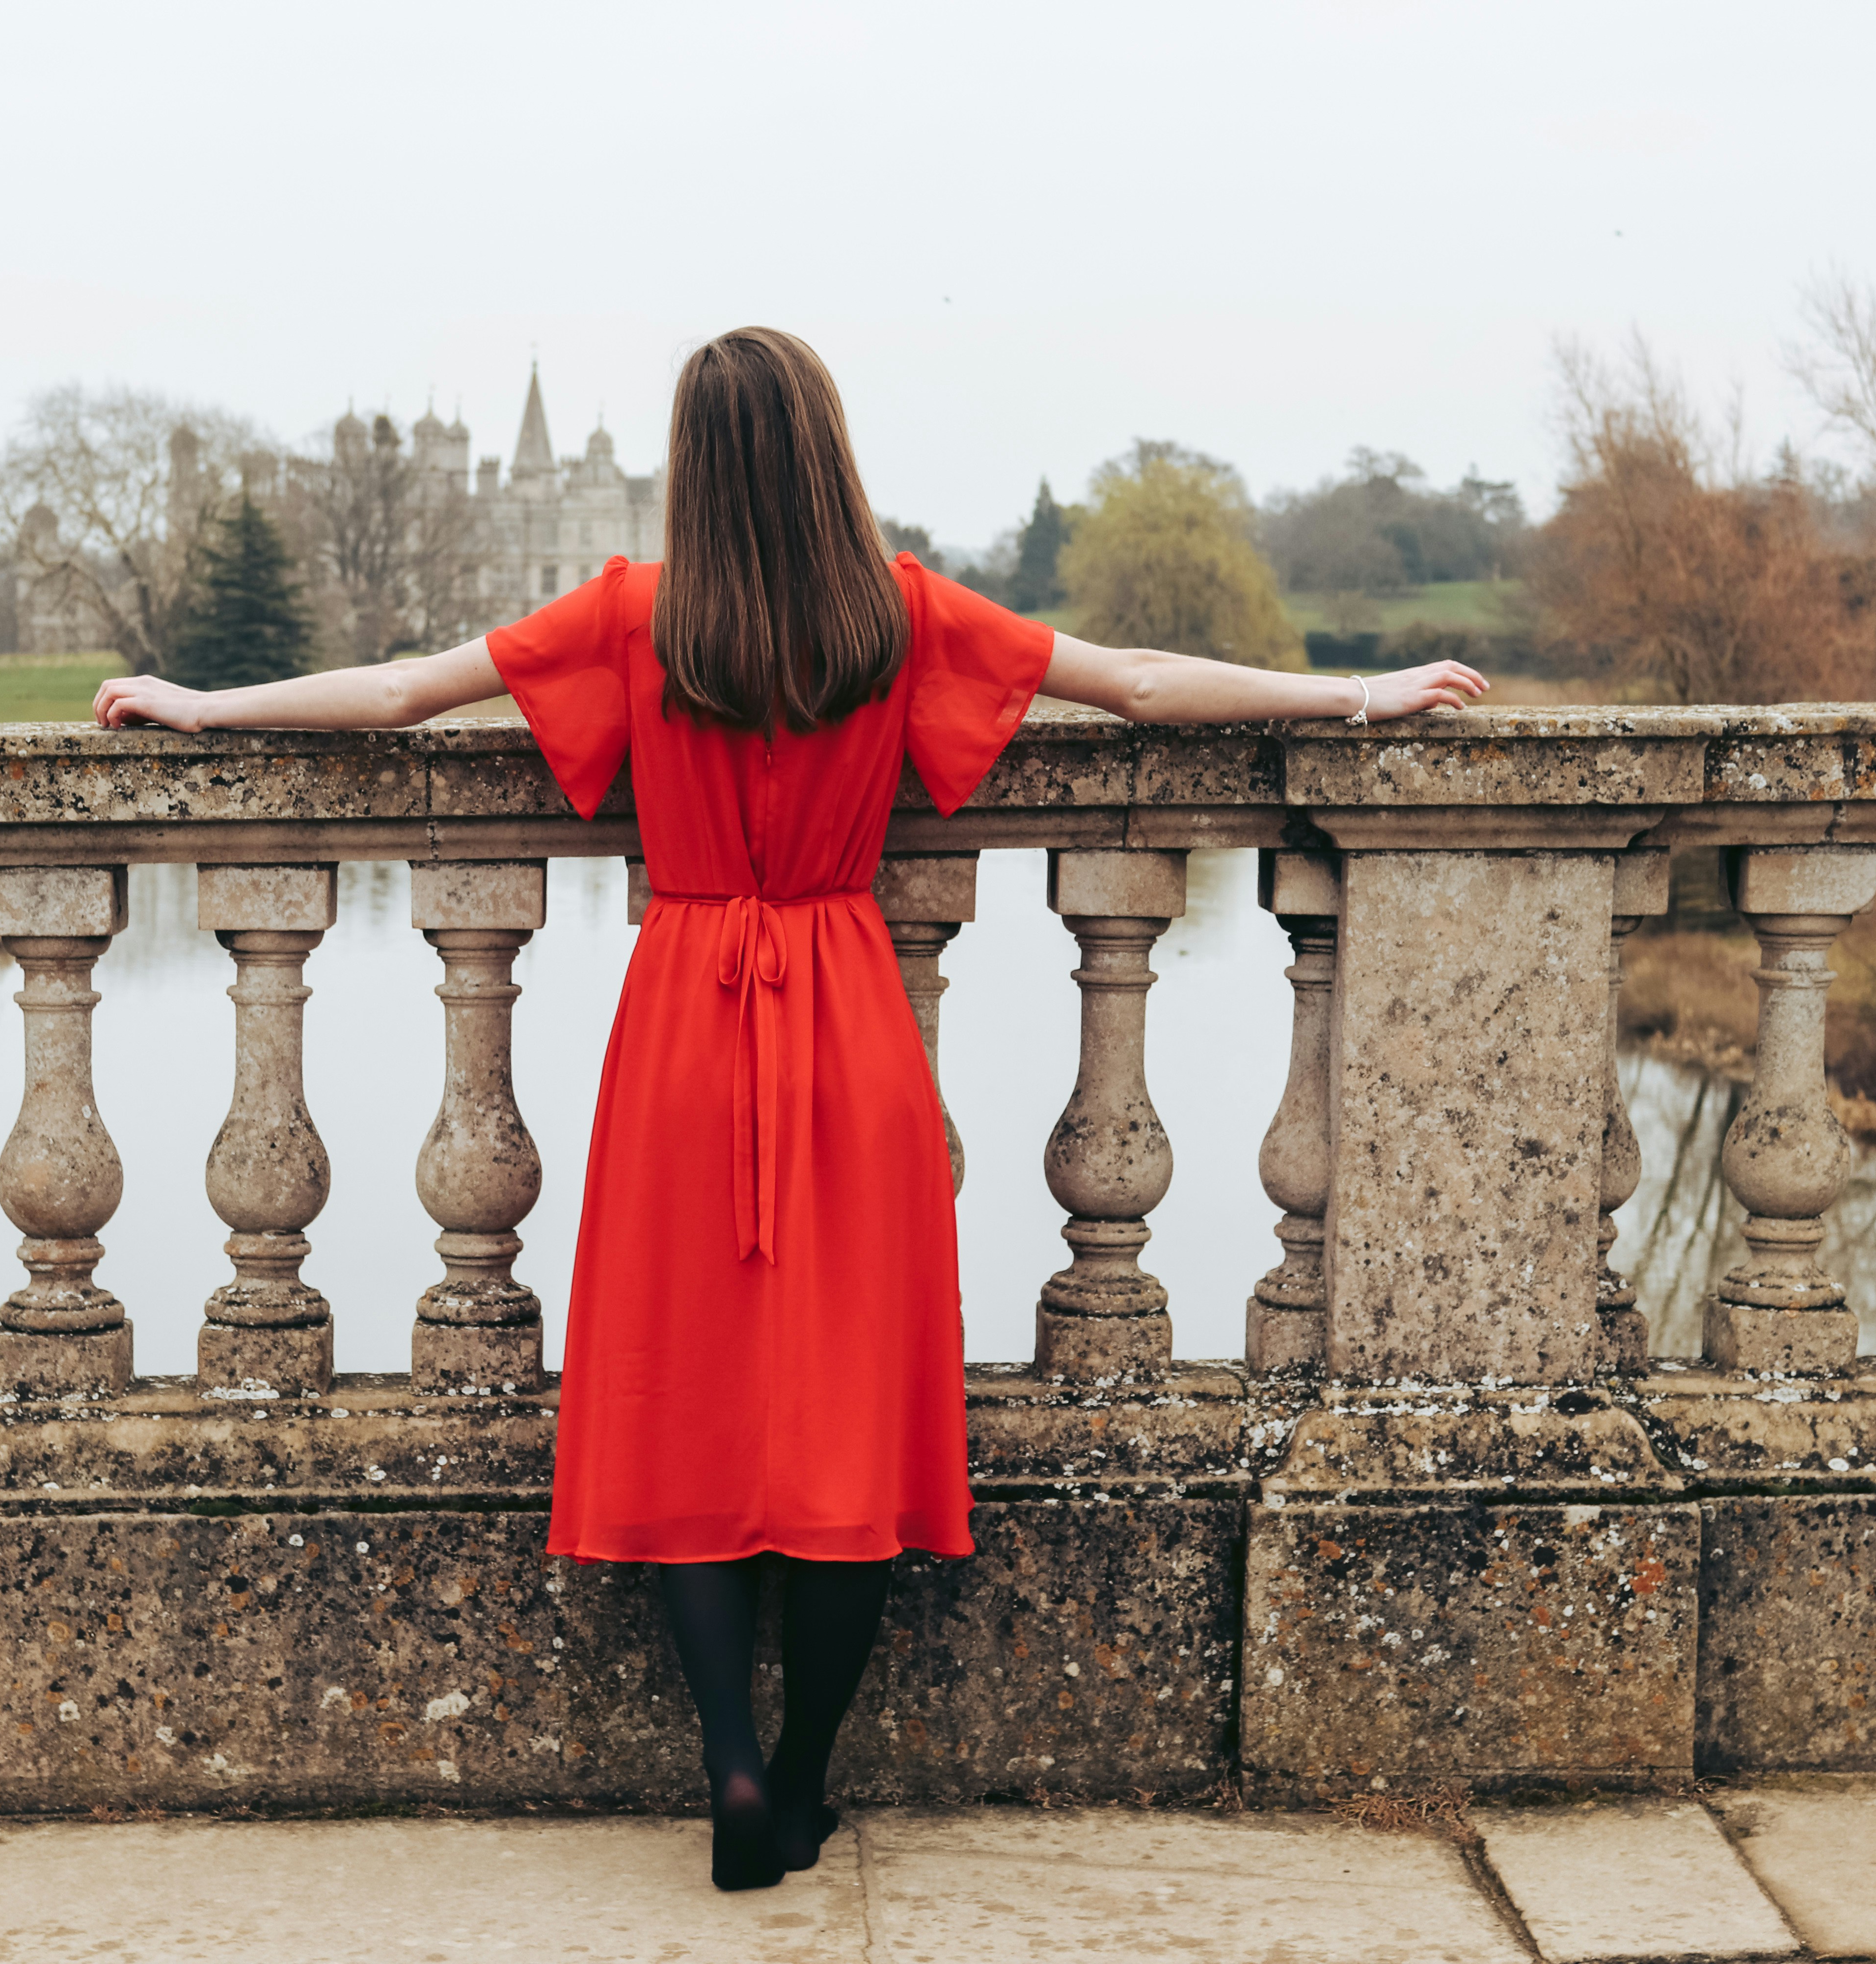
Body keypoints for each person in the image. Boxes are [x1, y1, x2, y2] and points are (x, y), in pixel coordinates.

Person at [95, 327, 1487, 1890]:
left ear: (691, 462)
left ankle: (734, 1773)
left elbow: (413, 691)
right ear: (825, 449)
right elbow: (1142, 685)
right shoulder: (893, 614)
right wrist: (1365, 692)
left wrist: (206, 706)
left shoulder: (636, 615)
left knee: (684, 1397)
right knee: (851, 1413)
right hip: (845, 1017)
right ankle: (808, 1773)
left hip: (685, 1025)